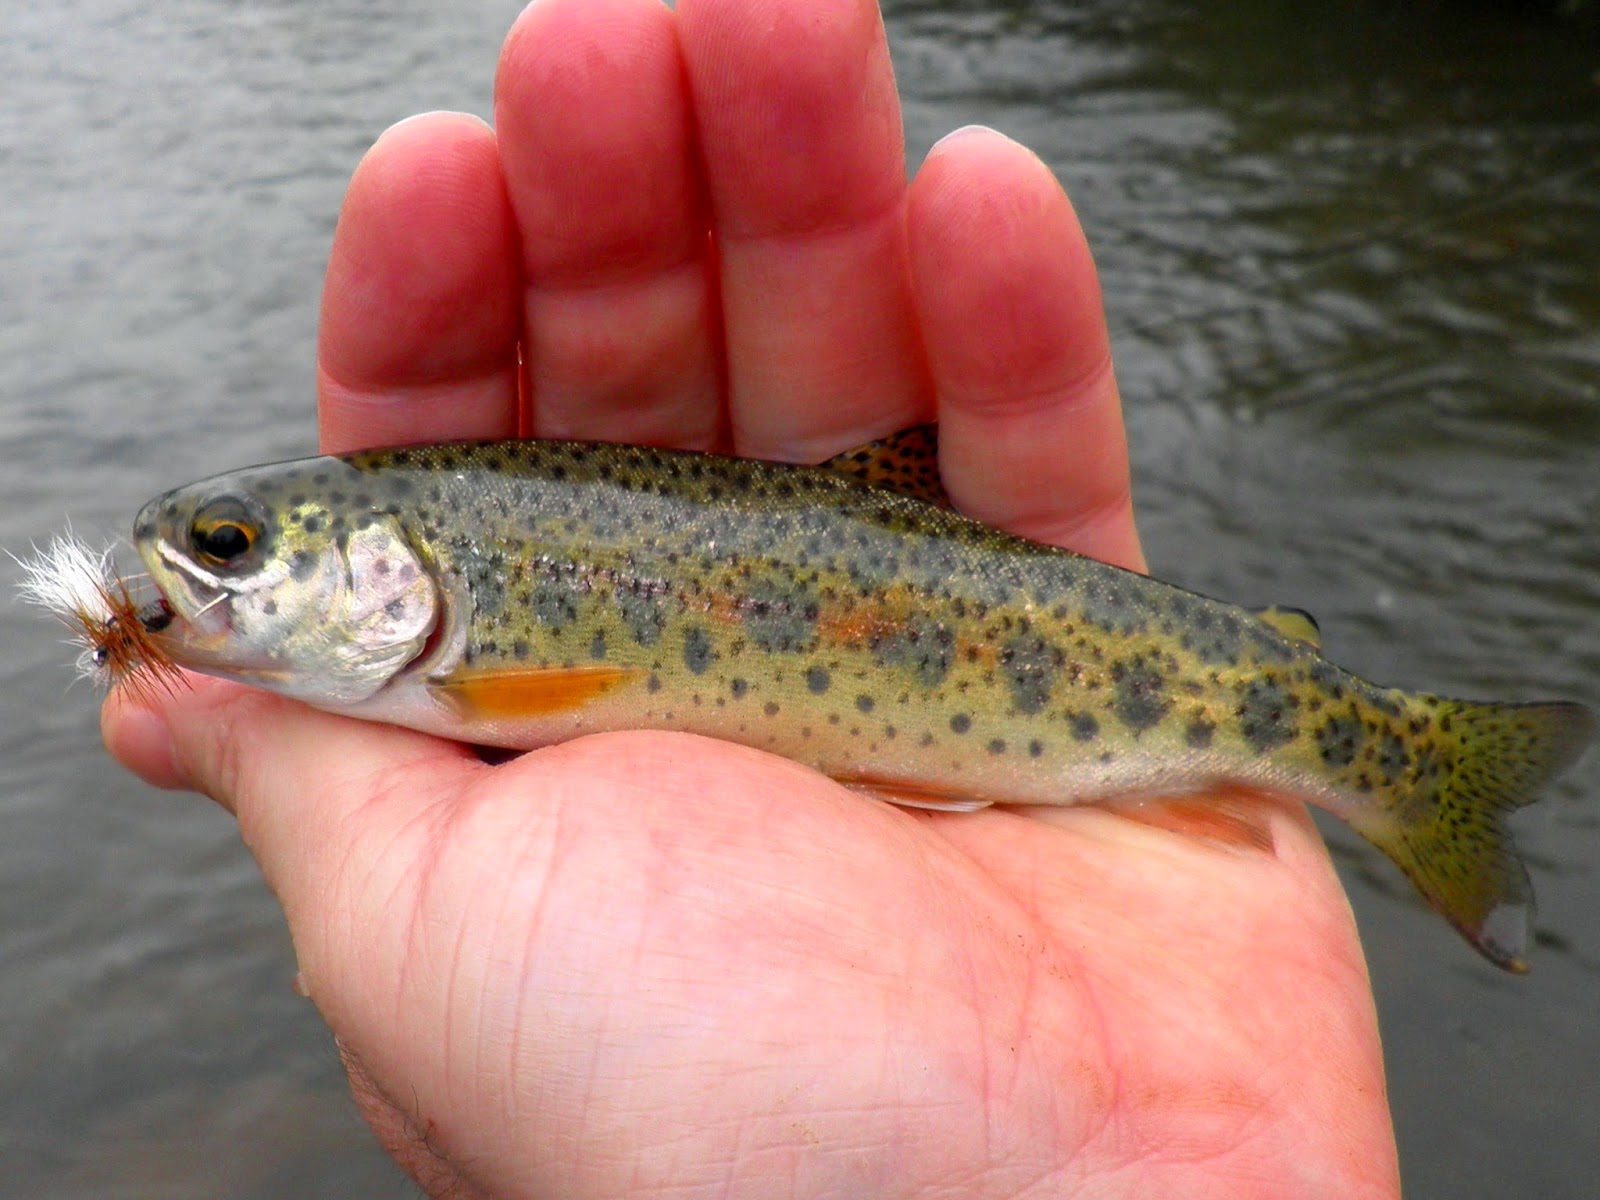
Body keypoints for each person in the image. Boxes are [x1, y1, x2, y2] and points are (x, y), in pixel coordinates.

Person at [103, 0, 1401, 1195]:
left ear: (387, 557)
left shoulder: (468, 676)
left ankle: (1393, 764)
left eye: (231, 543)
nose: (197, 568)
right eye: (226, 545)